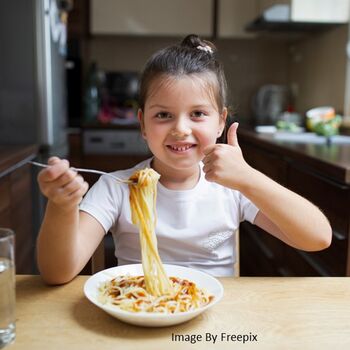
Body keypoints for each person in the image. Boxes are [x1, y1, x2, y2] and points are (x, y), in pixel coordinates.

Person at [36, 34, 332, 285]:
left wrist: (249, 178)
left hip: (215, 322)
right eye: (163, 115)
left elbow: (317, 238)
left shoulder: (234, 188)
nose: (180, 129)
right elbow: (56, 272)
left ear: (220, 122)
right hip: (140, 313)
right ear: (142, 124)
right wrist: (61, 207)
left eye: (198, 114)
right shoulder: (116, 187)